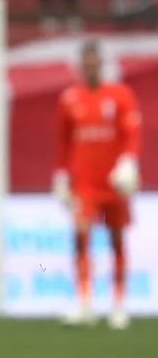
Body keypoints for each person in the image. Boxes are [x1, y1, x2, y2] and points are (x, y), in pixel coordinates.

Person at [53, 40, 141, 329]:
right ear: (80, 65)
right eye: (86, 62)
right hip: (84, 183)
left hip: (113, 182)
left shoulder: (120, 95)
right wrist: (61, 175)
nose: (90, 66)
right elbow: (64, 142)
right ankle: (84, 301)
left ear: (100, 64)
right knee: (80, 237)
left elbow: (131, 133)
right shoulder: (69, 99)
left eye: (94, 61)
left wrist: (128, 161)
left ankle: (118, 304)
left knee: (116, 239)